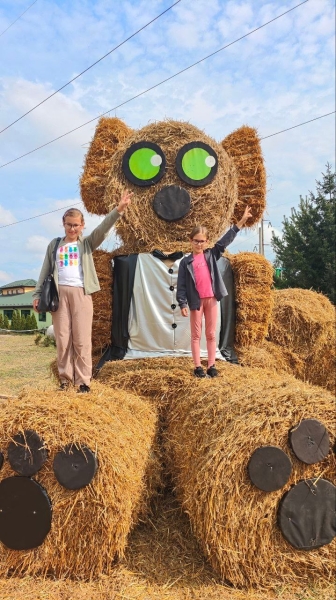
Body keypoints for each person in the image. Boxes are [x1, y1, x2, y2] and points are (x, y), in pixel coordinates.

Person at [33, 191, 132, 392]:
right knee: (63, 339)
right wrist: (36, 294)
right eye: (69, 224)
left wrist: (118, 210)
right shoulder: (54, 245)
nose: (72, 228)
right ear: (63, 223)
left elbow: (103, 230)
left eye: (76, 225)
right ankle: (65, 380)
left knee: (82, 339)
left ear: (82, 225)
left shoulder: (86, 243)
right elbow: (45, 270)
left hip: (81, 293)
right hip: (59, 296)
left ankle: (83, 382)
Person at [177, 205, 252, 378]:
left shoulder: (211, 255)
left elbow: (225, 240)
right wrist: (182, 303)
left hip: (211, 300)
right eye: (196, 240)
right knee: (196, 335)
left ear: (206, 242)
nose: (199, 244)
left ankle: (211, 365)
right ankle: (197, 367)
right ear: (191, 241)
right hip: (196, 302)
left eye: (202, 241)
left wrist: (240, 222)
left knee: (211, 334)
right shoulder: (185, 262)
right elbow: (181, 285)